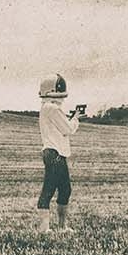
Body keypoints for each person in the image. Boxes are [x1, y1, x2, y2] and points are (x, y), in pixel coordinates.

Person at [36, 73, 83, 232]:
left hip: (53, 153)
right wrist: (76, 118)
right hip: (55, 153)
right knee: (51, 190)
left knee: (63, 189)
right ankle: (49, 228)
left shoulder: (46, 107)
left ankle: (54, 227)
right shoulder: (53, 108)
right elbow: (68, 129)